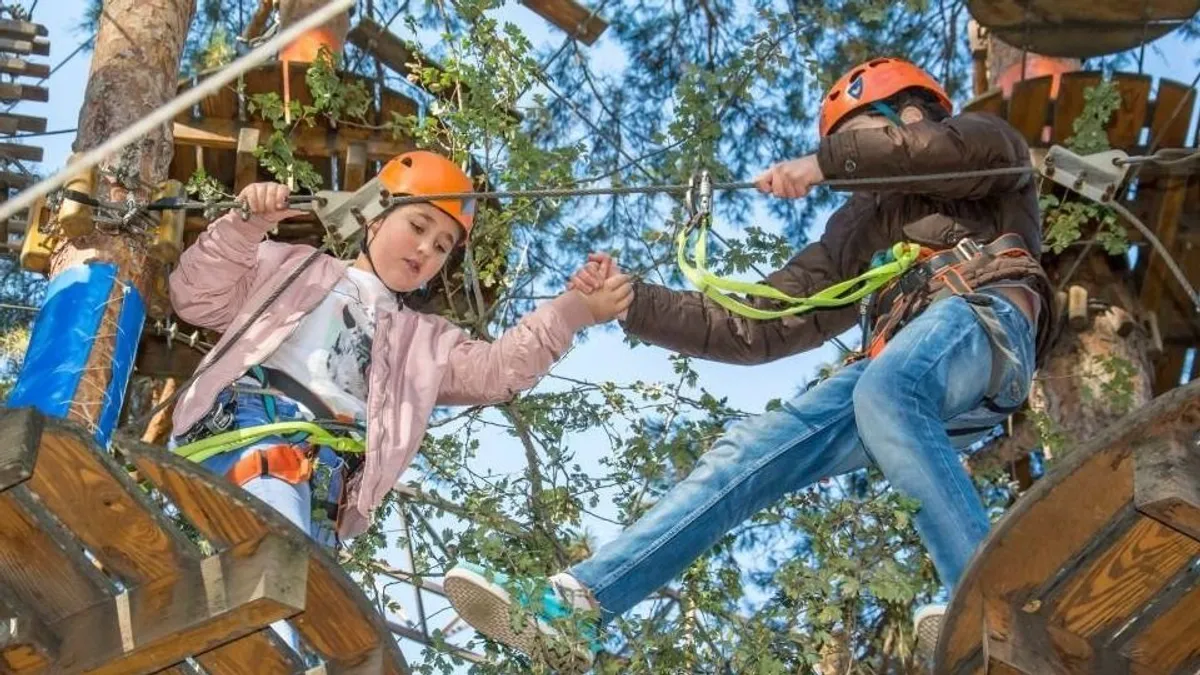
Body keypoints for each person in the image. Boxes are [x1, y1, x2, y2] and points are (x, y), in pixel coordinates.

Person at [442, 57, 1053, 670]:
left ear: (911, 115)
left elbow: (929, 154)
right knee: (749, 452)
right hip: (902, 367)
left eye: (857, 140)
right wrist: (634, 303)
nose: (851, 163)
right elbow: (761, 322)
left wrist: (823, 163)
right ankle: (578, 608)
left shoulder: (987, 143)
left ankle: (990, 610)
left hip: (983, 323)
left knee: (887, 391)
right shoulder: (861, 226)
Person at [168, 150, 634, 648]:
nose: (425, 249)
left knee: (320, 616)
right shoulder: (293, 267)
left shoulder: (424, 342)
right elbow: (196, 296)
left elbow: (499, 371)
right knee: (279, 553)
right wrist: (244, 225)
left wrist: (572, 310)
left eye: (441, 246)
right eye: (417, 225)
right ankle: (270, 651)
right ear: (374, 214)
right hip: (250, 425)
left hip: (327, 482)